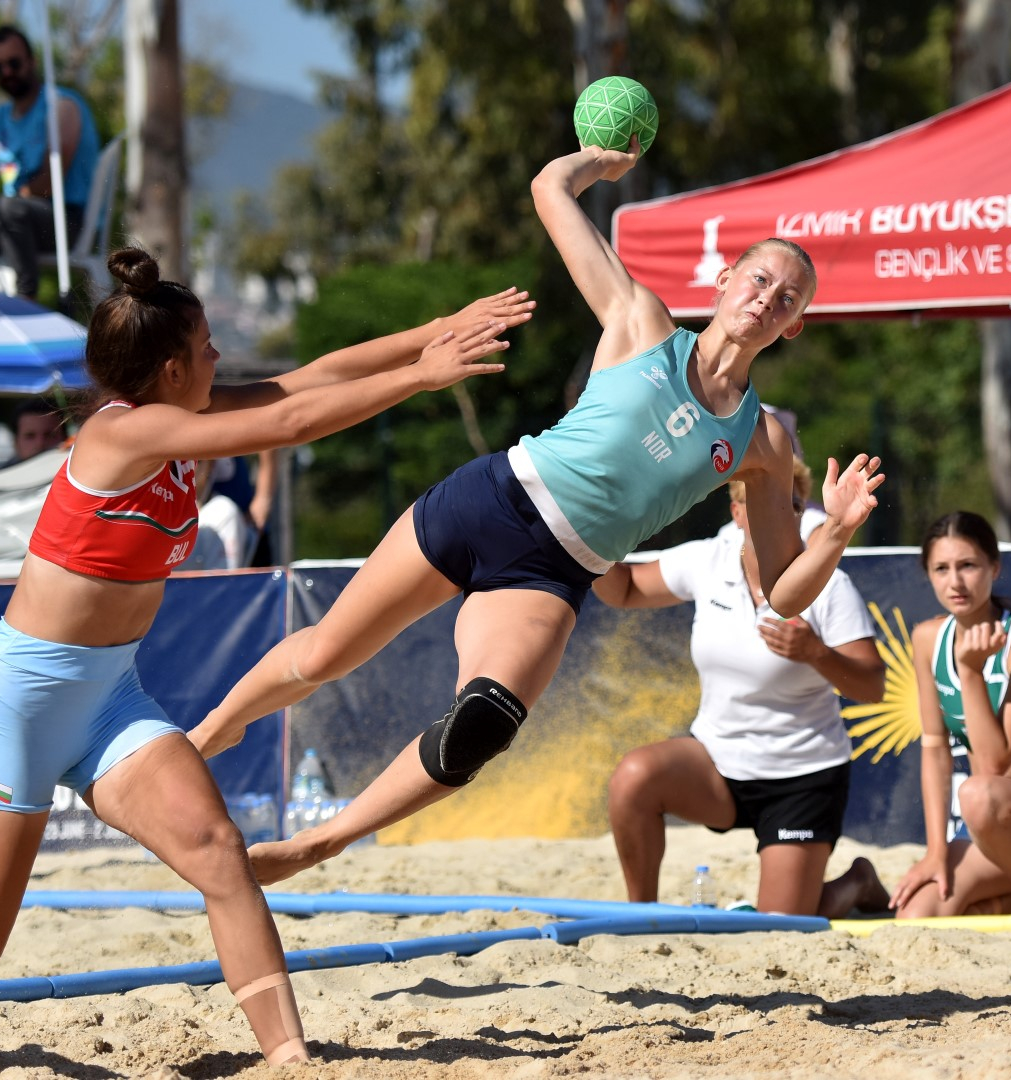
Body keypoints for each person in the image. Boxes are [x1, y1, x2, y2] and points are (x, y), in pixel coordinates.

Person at [187, 139, 884, 887]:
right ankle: (202, 741)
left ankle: (320, 843)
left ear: (794, 326)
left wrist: (836, 532)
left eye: (786, 300)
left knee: (480, 730)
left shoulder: (763, 441)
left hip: (555, 571)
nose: (765, 300)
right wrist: (598, 162)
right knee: (324, 655)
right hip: (491, 501)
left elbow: (779, 592)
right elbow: (550, 188)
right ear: (723, 280)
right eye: (758, 279)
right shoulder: (639, 320)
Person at [0, 245, 531, 1065]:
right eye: (209, 345)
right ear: (173, 366)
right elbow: (289, 424)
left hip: (108, 700)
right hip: (20, 701)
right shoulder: (125, 433)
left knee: (221, 854)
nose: (219, 355)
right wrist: (423, 376)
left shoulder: (187, 414)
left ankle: (289, 1058)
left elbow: (308, 380)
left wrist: (438, 330)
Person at [596, 459, 889, 917]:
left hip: (802, 776)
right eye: (766, 501)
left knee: (779, 926)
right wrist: (587, 529)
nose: (782, 513)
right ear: (736, 515)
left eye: (792, 504)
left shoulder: (829, 584)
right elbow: (626, 589)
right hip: (719, 761)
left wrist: (817, 653)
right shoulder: (711, 559)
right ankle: (642, 916)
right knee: (633, 778)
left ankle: (856, 882)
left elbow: (873, 687)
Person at [890, 510, 1011, 918]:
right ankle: (1008, 898)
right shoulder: (927, 638)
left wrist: (970, 671)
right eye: (941, 568)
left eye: (968, 565)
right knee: (915, 915)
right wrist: (936, 852)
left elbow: (993, 764)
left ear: (994, 566)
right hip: (987, 825)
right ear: (928, 575)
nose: (955, 582)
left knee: (976, 792)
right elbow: (935, 749)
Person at [0, 25, 101, 301]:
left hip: (65, 221)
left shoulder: (61, 106)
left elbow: (50, 183)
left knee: (8, 207)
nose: (7, 72)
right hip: (11, 221)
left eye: (14, 63)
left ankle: (24, 300)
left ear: (32, 61)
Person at [5, 396, 65, 465]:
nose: (40, 443)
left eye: (49, 435)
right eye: (30, 436)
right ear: (16, 442)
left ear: (65, 437)